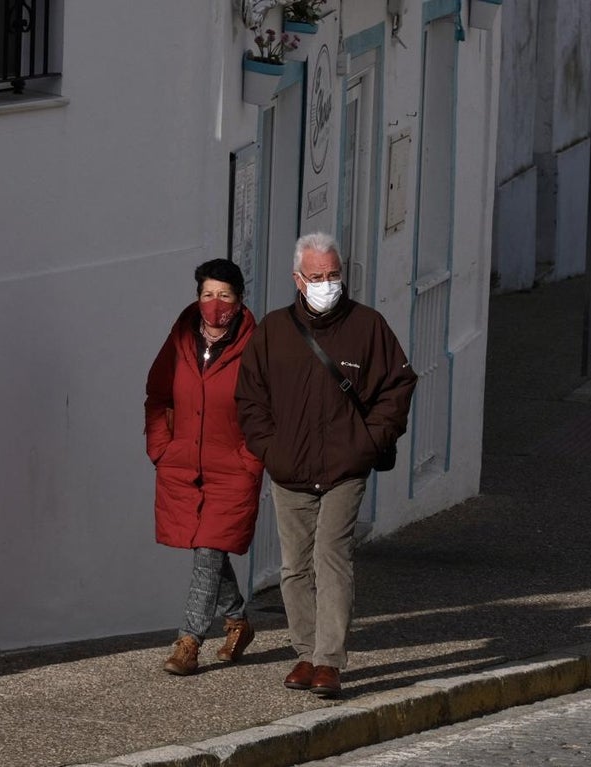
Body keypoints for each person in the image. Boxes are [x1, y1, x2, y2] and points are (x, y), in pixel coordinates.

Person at [236, 232, 416, 697]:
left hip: (344, 467)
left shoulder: (368, 326)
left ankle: (329, 661)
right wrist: (270, 449)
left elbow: (398, 386)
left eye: (333, 275)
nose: (326, 283)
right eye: (316, 276)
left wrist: (369, 442)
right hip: (290, 468)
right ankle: (305, 653)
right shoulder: (274, 331)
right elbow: (250, 398)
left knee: (331, 557)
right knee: (294, 566)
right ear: (298, 279)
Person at [145, 258, 264, 676]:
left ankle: (189, 641)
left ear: (239, 300)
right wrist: (161, 446)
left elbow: (268, 409)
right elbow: (157, 396)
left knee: (210, 548)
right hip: (183, 464)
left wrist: (250, 460)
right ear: (198, 297)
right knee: (205, 548)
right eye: (208, 295)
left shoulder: (257, 346)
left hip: (233, 468)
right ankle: (238, 621)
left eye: (224, 296)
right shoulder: (180, 339)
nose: (215, 304)